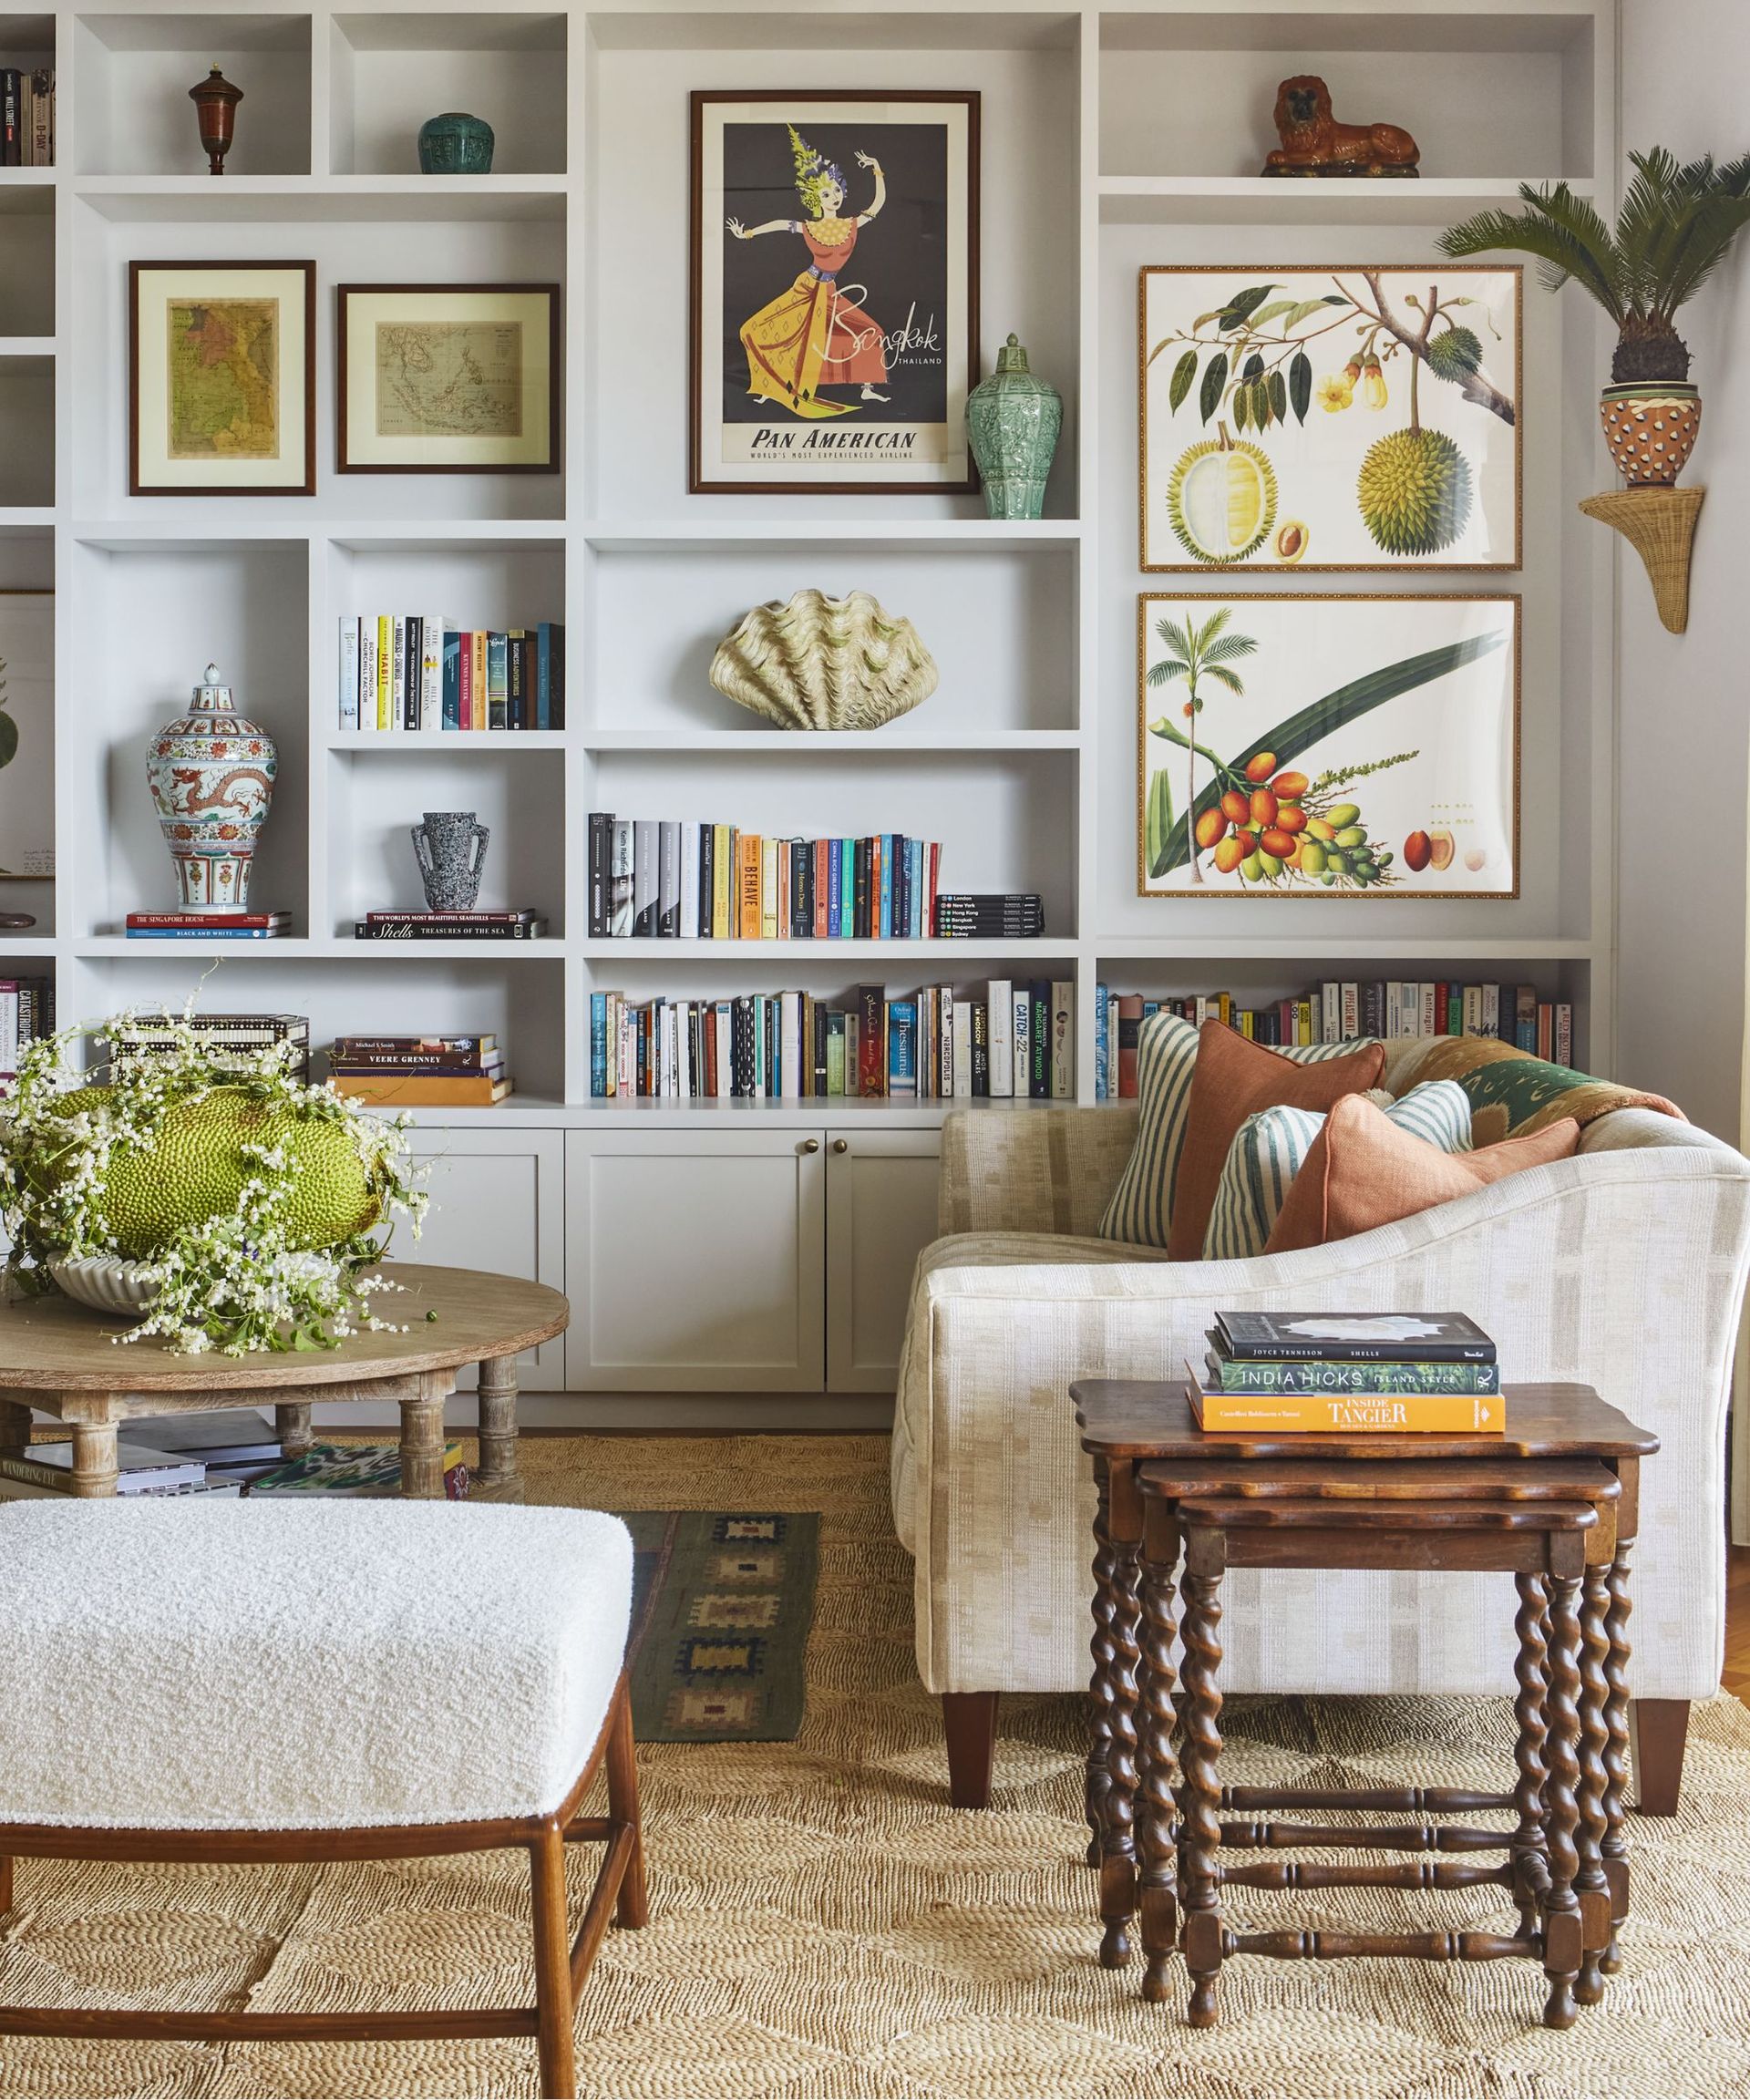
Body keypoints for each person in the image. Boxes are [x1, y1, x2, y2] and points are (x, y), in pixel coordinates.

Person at [726, 125, 890, 417]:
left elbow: (877, 206)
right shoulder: (809, 227)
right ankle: (771, 386)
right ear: (817, 199)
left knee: (871, 331)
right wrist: (748, 234)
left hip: (829, 291)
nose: (834, 197)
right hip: (806, 288)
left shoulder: (852, 224)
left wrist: (877, 170)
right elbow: (778, 224)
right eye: (827, 194)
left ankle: (867, 386)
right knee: (762, 331)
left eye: (837, 190)